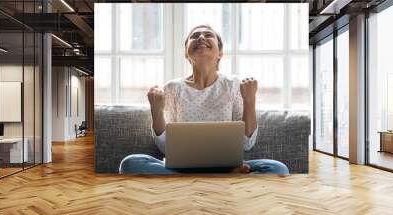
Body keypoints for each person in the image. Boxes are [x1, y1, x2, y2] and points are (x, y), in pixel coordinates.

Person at [119, 24, 289, 175]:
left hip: (226, 164)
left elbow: (247, 143)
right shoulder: (172, 88)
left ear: (220, 53)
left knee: (277, 168)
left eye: (208, 35)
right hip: (180, 167)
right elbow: (164, 147)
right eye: (194, 36)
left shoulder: (233, 85)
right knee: (130, 163)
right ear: (186, 53)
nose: (201, 37)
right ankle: (222, 176)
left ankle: (195, 178)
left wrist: (250, 100)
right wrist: (156, 111)